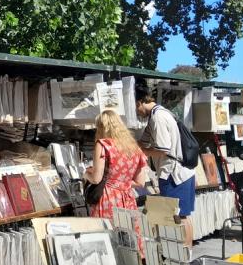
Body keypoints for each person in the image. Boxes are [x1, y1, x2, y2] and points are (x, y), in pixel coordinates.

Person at [135, 84, 197, 219]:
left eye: (136, 108)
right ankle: (187, 242)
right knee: (182, 217)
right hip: (180, 172)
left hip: (174, 175)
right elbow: (142, 142)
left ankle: (185, 242)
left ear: (139, 102)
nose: (137, 113)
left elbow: (162, 149)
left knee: (176, 218)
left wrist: (145, 151)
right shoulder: (158, 114)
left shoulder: (158, 117)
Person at [84, 110, 148, 219]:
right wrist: (121, 183)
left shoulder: (103, 145)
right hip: (127, 198)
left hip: (108, 198)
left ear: (101, 127)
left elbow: (96, 179)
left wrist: (85, 174)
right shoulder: (134, 148)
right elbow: (140, 183)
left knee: (108, 233)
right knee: (128, 232)